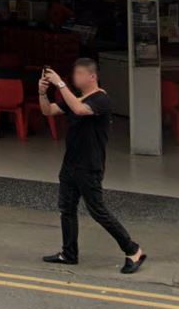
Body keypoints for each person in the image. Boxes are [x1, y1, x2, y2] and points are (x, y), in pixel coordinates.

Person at [37, 58, 146, 273]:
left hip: (90, 166)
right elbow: (48, 111)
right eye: (74, 74)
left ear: (92, 77)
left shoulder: (100, 100)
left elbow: (79, 110)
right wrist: (42, 93)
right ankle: (69, 253)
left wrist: (60, 84)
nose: (75, 77)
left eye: (79, 74)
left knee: (97, 210)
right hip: (70, 164)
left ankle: (133, 249)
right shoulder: (74, 97)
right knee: (66, 209)